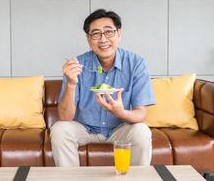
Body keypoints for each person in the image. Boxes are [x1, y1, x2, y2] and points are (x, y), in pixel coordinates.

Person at [50, 9, 156, 167]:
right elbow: (65, 117)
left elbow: (141, 114)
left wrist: (121, 112)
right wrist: (71, 83)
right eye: (96, 34)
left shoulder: (136, 64)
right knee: (59, 130)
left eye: (108, 32)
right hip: (84, 128)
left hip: (120, 128)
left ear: (119, 34)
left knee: (142, 132)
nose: (103, 39)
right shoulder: (77, 65)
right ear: (88, 38)